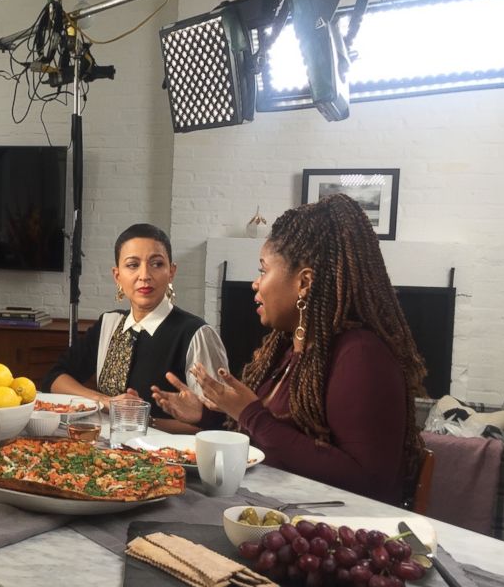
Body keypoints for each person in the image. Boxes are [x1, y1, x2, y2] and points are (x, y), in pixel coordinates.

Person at [154, 194, 426, 505]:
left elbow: (368, 483)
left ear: (304, 282)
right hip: (274, 510)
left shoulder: (360, 356)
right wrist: (207, 416)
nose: (255, 284)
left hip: (335, 533)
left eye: (263, 270)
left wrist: (250, 413)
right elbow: (277, 441)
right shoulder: (288, 349)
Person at [41, 223, 229, 433]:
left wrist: (141, 420)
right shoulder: (109, 324)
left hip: (168, 459)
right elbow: (55, 378)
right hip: (105, 452)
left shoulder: (196, 334)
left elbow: (221, 424)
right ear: (117, 275)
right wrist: (106, 402)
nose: (144, 275)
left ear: (171, 272)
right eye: (132, 265)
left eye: (156, 264)